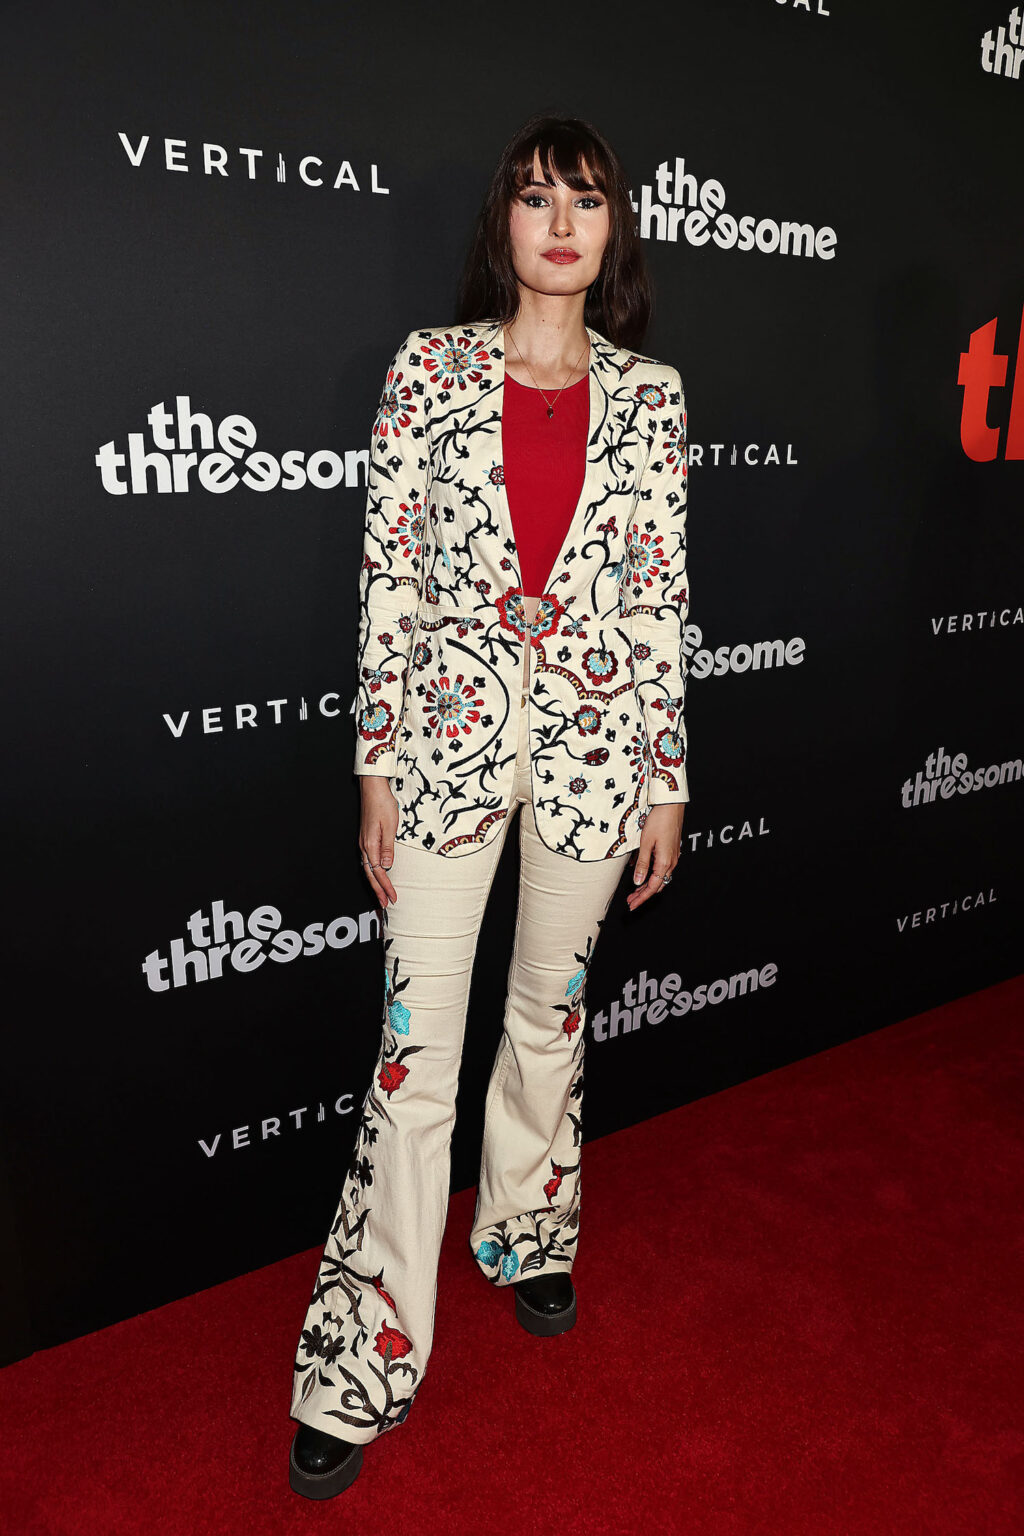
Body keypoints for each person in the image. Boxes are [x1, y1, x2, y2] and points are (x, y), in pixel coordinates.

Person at [288, 112, 690, 1501]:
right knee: (414, 1059)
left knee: (547, 1013)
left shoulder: (656, 397)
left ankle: (529, 1228)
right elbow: (386, 579)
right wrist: (378, 763)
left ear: (613, 229)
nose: (561, 221)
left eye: (585, 199)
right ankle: (362, 1348)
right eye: (536, 198)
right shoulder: (429, 372)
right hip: (448, 754)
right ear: (504, 226)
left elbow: (656, 607)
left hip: (596, 755)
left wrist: (668, 780)